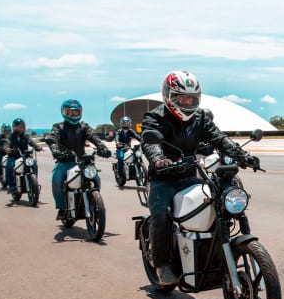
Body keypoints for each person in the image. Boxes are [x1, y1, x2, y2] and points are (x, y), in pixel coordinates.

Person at [141, 70, 258, 286]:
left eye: (191, 98)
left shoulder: (201, 117)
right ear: (168, 96)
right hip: (163, 179)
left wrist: (243, 155)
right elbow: (149, 141)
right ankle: (162, 265)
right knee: (161, 216)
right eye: (181, 98)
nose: (187, 102)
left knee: (218, 206)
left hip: (190, 176)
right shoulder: (155, 116)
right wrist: (158, 159)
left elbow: (218, 137)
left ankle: (215, 254)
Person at [47, 99, 112, 219]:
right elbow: (53, 140)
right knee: (56, 180)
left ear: (80, 112)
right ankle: (61, 208)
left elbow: (94, 138)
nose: (72, 115)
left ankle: (93, 200)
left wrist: (103, 149)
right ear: (63, 112)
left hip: (82, 162)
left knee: (96, 177)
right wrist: (56, 152)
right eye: (69, 112)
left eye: (75, 112)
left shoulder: (84, 126)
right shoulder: (58, 126)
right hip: (64, 161)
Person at [3, 118, 42, 194]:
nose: (21, 128)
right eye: (19, 126)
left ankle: (34, 183)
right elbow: (7, 143)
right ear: (14, 127)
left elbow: (31, 142)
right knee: (9, 167)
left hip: (25, 156)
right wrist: (7, 148)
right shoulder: (10, 136)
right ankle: (11, 186)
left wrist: (38, 147)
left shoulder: (25, 136)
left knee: (34, 164)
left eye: (22, 126)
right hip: (13, 156)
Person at [113, 116, 140, 184]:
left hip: (128, 149)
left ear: (130, 124)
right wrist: (118, 143)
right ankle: (120, 175)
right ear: (121, 124)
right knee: (120, 158)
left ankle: (139, 171)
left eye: (127, 123)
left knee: (137, 155)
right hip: (121, 149)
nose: (125, 124)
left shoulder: (131, 131)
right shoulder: (118, 132)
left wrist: (143, 140)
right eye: (124, 123)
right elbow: (117, 138)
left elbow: (137, 137)